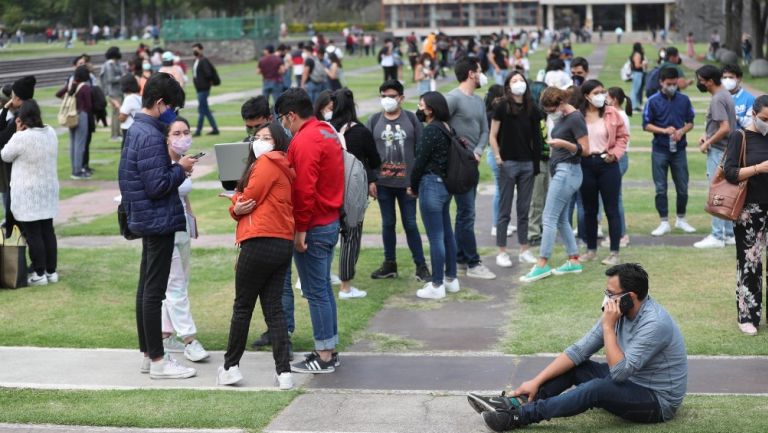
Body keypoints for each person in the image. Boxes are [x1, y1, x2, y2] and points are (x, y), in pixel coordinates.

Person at [469, 263, 688, 430]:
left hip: (657, 400)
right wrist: (536, 381)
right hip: (630, 380)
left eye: (610, 294)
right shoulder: (618, 311)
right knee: (576, 366)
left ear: (630, 297)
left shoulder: (655, 323)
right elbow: (578, 351)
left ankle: (520, 416)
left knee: (596, 389)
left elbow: (619, 373)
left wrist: (609, 328)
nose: (606, 299)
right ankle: (516, 401)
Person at [118, 72, 199, 380]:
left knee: (146, 289)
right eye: (172, 108)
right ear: (161, 103)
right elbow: (157, 184)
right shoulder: (151, 134)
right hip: (157, 219)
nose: (173, 115)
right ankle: (158, 361)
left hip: (146, 218)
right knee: (154, 292)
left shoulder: (137, 129)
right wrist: (180, 168)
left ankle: (147, 355)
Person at [218, 122, 295, 389]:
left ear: (278, 142)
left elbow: (248, 200)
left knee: (243, 307)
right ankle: (284, 372)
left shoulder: (266, 164)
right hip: (282, 242)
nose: (260, 141)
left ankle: (230, 366)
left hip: (259, 240)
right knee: (274, 308)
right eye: (257, 137)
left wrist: (234, 201)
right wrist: (238, 203)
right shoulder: (284, 165)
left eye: (267, 137)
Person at [277, 88, 344, 374]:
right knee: (323, 290)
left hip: (314, 225)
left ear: (291, 115)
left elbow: (304, 190)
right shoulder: (327, 131)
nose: (283, 125)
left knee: (316, 291)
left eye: (283, 119)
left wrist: (300, 230)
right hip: (329, 219)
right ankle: (329, 348)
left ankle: (324, 354)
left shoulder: (305, 140)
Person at [520, 87, 589, 283]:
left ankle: (542, 264)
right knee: (560, 220)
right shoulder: (562, 117)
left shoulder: (575, 118)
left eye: (551, 109)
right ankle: (573, 259)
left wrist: (562, 144)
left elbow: (585, 150)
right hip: (563, 171)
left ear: (560, 104)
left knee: (548, 217)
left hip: (567, 172)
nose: (550, 113)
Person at [367, 80, 430, 282]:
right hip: (383, 183)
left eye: (392, 96)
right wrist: (371, 180)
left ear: (401, 98)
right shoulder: (374, 120)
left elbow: (421, 152)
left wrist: (417, 181)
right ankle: (389, 263)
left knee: (410, 224)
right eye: (384, 95)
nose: (388, 99)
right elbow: (366, 153)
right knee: (388, 224)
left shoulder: (411, 119)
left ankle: (421, 266)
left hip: (407, 184)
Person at [158, 116, 209, 363]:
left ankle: (166, 333)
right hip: (165, 227)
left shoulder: (182, 162)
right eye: (176, 133)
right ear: (166, 137)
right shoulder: (161, 163)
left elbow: (183, 193)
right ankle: (190, 339)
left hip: (182, 227)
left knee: (179, 282)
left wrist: (191, 218)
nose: (182, 137)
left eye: (186, 132)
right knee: (175, 284)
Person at [446, 57, 496, 281]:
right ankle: (473, 262)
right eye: (479, 70)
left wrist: (477, 151)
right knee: (465, 214)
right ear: (470, 74)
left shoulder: (478, 101)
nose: (482, 74)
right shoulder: (452, 98)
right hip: (454, 166)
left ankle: (461, 258)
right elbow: (439, 127)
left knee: (465, 213)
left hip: (471, 164)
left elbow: (485, 130)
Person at [1, 100, 59, 286]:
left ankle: (39, 273)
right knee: (47, 230)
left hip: (28, 193)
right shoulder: (50, 132)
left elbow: (5, 155)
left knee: (33, 234)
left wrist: (17, 133)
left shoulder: (22, 137)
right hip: (48, 189)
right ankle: (51, 271)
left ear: (22, 119)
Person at [330, 88, 382, 299]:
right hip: (353, 190)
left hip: (330, 189)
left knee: (327, 235)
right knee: (351, 237)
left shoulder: (327, 130)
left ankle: (324, 276)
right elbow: (375, 160)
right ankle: (345, 285)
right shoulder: (361, 132)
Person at [724, 95, 768, 336]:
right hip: (749, 209)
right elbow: (729, 172)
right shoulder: (739, 137)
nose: (767, 123)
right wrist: (757, 169)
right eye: (764, 119)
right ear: (753, 114)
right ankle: (747, 316)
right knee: (750, 263)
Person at [409, 92, 459, 299]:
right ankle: (451, 278)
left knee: (436, 237)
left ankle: (437, 284)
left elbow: (419, 161)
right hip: (444, 187)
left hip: (431, 185)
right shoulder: (447, 128)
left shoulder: (431, 131)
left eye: (421, 106)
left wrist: (412, 185)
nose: (419, 109)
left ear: (430, 109)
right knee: (446, 233)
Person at [490, 71, 541, 268]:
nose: (519, 83)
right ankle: (501, 251)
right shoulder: (502, 107)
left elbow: (536, 138)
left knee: (524, 209)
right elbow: (493, 135)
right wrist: (498, 157)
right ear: (508, 86)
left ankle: (524, 249)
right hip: (508, 163)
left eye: (521, 80)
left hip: (527, 163)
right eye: (514, 80)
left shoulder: (532, 108)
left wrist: (536, 164)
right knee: (504, 209)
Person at [577, 80, 628, 265]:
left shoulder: (611, 113)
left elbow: (623, 136)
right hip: (585, 163)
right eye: (597, 92)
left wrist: (614, 155)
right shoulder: (578, 115)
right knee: (589, 209)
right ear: (586, 96)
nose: (601, 95)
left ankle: (614, 252)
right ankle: (591, 249)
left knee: (611, 209)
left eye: (603, 92)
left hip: (607, 164)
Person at [642, 67, 697, 237]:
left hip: (679, 150)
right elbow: (646, 125)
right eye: (668, 84)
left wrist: (681, 131)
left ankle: (681, 219)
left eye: (674, 84)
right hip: (660, 149)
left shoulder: (684, 99)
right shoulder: (652, 101)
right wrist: (663, 130)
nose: (672, 87)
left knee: (682, 186)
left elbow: (690, 121)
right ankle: (663, 221)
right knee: (660, 187)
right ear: (661, 82)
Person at [693, 65, 737, 249]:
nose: (699, 83)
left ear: (710, 81)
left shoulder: (718, 98)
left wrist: (707, 142)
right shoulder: (724, 94)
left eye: (701, 80)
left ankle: (717, 235)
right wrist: (707, 134)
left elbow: (725, 127)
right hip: (726, 150)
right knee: (725, 191)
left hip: (719, 150)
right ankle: (727, 234)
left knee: (716, 191)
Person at [0, 75, 36, 238]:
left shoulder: (19, 120)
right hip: (26, 175)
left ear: (18, 98)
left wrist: (6, 109)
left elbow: (2, 141)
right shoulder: (32, 114)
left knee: (13, 217)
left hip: (16, 174)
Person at [603, 87, 633, 249]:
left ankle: (621, 234)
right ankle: (618, 233)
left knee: (615, 199)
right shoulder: (620, 115)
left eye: (607, 97)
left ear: (613, 99)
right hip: (619, 158)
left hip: (618, 158)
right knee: (614, 198)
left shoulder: (617, 116)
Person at [485, 84, 515, 238]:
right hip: (498, 155)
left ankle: (504, 222)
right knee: (501, 191)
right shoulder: (493, 114)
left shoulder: (494, 112)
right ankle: (497, 225)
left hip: (502, 155)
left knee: (505, 191)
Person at [56, 65, 92, 180]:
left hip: (70, 115)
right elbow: (89, 105)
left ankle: (74, 169)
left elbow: (58, 94)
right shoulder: (84, 87)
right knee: (80, 144)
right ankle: (77, 171)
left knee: (73, 143)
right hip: (81, 115)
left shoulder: (72, 85)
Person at [191, 43, 220, 136]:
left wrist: (207, 83)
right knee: (205, 110)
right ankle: (215, 129)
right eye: (193, 50)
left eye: (196, 49)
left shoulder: (203, 61)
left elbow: (208, 73)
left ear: (201, 49)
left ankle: (198, 131)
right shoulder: (197, 61)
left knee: (202, 110)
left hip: (203, 89)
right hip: (199, 89)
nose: (194, 51)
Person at [101, 46, 124, 141]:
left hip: (119, 91)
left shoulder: (116, 63)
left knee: (118, 113)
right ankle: (115, 135)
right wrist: (122, 77)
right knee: (116, 113)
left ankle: (118, 133)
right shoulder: (109, 64)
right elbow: (110, 79)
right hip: (113, 93)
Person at [722, 63, 756, 130]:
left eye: (731, 77)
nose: (727, 80)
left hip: (742, 138)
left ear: (739, 79)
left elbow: (751, 123)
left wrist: (736, 117)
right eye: (725, 77)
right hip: (722, 138)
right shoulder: (719, 98)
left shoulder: (749, 99)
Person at [118, 74, 142, 149]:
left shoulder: (129, 99)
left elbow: (122, 118)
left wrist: (117, 106)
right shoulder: (139, 97)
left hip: (128, 129)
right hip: (137, 129)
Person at [629, 43, 645, 111]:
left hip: (636, 73)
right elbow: (637, 65)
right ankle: (633, 106)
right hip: (637, 73)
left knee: (635, 90)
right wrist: (644, 64)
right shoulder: (637, 55)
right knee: (635, 90)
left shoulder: (634, 54)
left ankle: (635, 105)